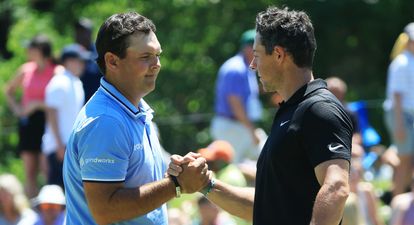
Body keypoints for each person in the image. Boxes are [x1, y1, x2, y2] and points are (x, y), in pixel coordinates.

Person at [169, 6, 352, 225]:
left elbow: (336, 187)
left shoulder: (319, 108)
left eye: (256, 55)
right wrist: (205, 185)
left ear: (278, 54)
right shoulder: (290, 111)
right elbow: (266, 207)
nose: (252, 65)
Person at [63, 12, 211, 225]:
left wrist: (177, 171)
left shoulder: (134, 110)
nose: (156, 64)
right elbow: (105, 210)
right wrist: (176, 185)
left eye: (158, 55)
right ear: (112, 61)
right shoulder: (105, 122)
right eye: (145, 57)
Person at [4, 34, 56, 198]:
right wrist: (17, 109)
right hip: (28, 123)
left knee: (45, 168)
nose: (28, 51)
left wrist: (37, 104)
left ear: (40, 50)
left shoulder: (55, 71)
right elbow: (9, 91)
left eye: (31, 48)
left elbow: (58, 102)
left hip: (47, 121)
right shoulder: (26, 69)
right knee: (30, 172)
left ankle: (49, 208)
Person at [210, 29, 264, 164]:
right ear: (248, 48)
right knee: (236, 167)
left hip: (238, 125)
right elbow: (235, 104)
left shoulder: (246, 67)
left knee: (259, 157)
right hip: (232, 125)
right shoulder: (236, 69)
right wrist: (251, 130)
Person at [42, 43, 87, 188]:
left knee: (72, 189)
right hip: (59, 146)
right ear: (68, 61)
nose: (82, 65)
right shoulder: (59, 82)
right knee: (58, 191)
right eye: (80, 61)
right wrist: (59, 144)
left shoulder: (75, 82)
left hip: (70, 144)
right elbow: (51, 113)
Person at [383, 22, 414, 197]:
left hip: (407, 115)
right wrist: (400, 126)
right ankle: (397, 205)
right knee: (405, 162)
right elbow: (397, 97)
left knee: (409, 161)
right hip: (401, 115)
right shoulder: (401, 62)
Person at [74, 17, 102, 103]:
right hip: (75, 104)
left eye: (83, 32)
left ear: (90, 33)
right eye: (78, 32)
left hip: (94, 103)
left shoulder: (100, 52)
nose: (80, 35)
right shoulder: (70, 54)